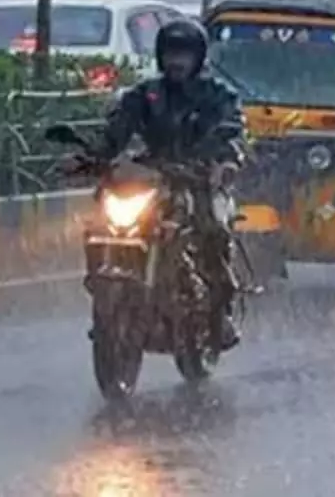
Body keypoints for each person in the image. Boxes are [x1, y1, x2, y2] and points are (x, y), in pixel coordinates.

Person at [69, 18, 246, 351]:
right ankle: (104, 289)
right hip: (154, 175)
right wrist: (92, 157)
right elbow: (117, 131)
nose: (177, 61)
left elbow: (232, 130)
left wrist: (224, 161)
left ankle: (220, 312)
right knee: (100, 220)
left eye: (184, 54)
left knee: (213, 228)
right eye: (171, 54)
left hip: (200, 177)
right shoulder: (144, 95)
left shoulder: (218, 94)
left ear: (198, 57)